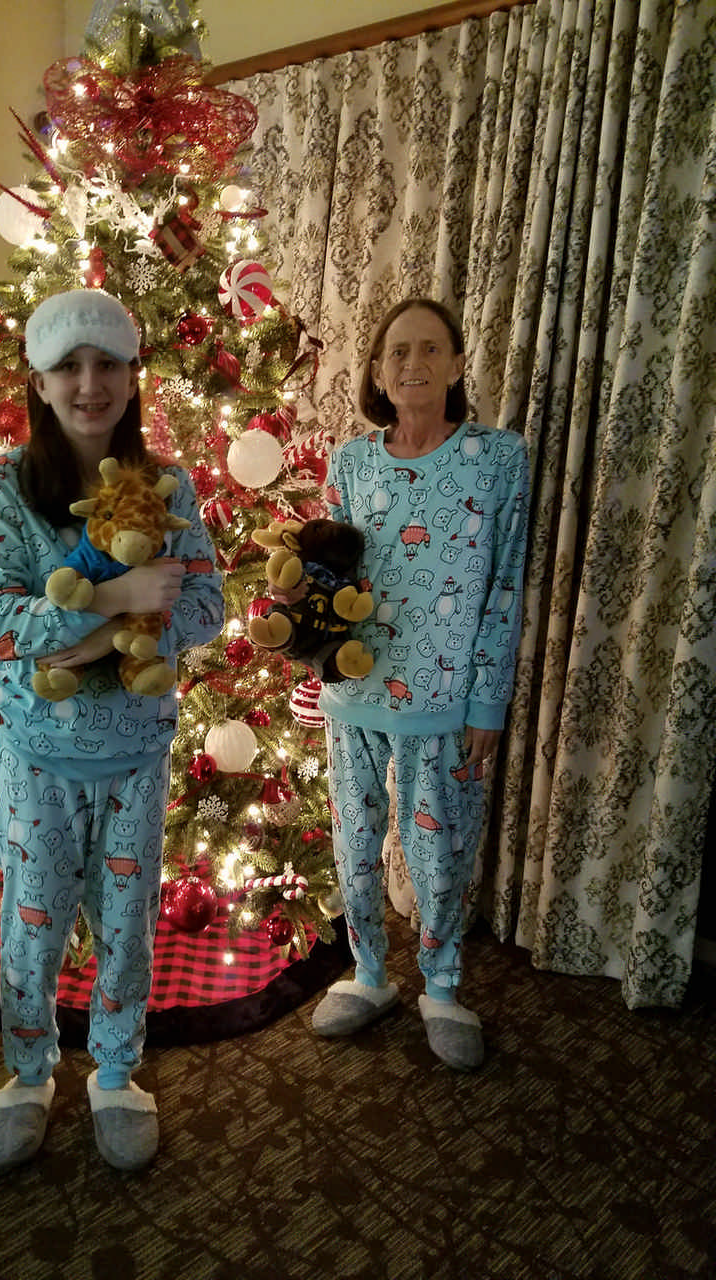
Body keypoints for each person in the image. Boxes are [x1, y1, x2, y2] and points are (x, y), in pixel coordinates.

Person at [0, 289, 224, 1170]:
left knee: (127, 922)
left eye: (107, 363)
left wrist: (84, 643)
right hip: (37, 757)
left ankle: (115, 1072)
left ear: (132, 374)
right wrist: (115, 612)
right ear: (38, 381)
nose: (89, 383)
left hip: (136, 755)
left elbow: (207, 606)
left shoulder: (172, 487)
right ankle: (27, 1072)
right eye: (69, 365)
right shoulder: (1, 487)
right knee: (32, 923)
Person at [309, 297, 530, 1070]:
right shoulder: (350, 462)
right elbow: (320, 576)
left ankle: (441, 984)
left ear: (459, 364)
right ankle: (369, 974)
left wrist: (486, 699)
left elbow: (506, 585)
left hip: (445, 701)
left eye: (430, 349)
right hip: (353, 693)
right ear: (376, 371)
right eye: (397, 352)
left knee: (441, 853)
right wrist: (313, 654)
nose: (413, 365)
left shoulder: (500, 460)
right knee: (355, 842)